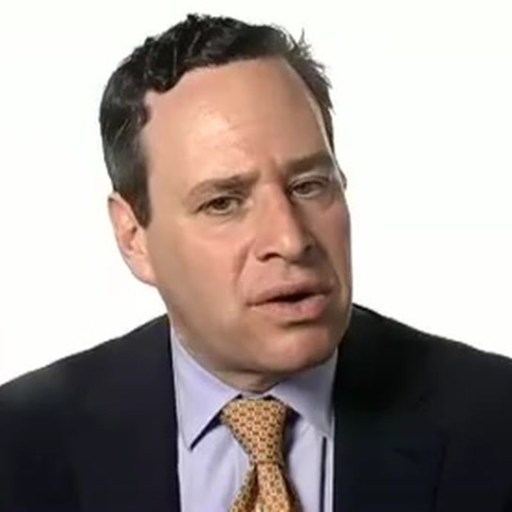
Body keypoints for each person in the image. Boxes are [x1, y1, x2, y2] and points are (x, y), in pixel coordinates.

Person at [1, 12, 511, 512]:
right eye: (223, 202)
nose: (290, 239)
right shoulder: (20, 446)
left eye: (308, 186)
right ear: (134, 237)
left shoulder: (495, 419)